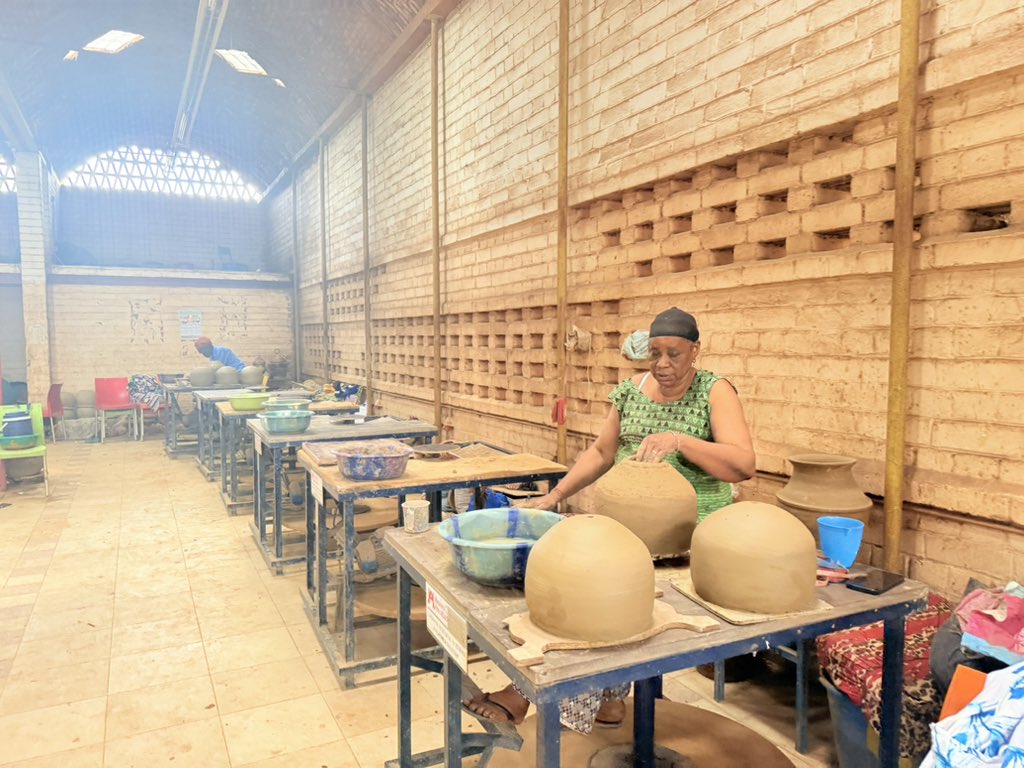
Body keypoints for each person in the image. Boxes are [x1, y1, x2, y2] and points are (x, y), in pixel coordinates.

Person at [463, 307, 755, 732]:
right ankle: (610, 701)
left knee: (596, 606)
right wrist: (557, 496)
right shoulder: (631, 391)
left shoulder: (715, 391)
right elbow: (601, 453)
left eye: (674, 354)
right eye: (654, 353)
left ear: (696, 351)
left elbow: (743, 464)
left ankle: (525, 696)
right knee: (575, 588)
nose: (663, 365)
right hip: (622, 533)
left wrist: (679, 441)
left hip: (689, 543)